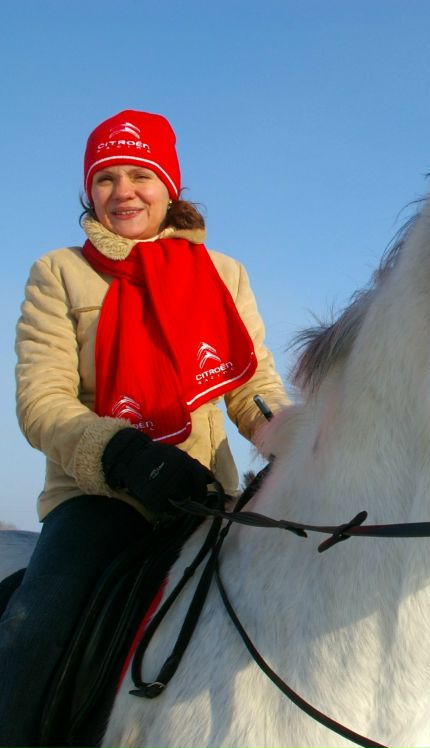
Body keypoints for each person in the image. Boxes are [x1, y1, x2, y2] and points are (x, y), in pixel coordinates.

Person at [0, 110, 289, 747]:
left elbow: (250, 385)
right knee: (30, 627)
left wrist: (291, 437)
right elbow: (41, 400)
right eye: (105, 178)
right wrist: (124, 455)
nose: (123, 191)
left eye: (139, 174)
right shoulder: (59, 272)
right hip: (97, 497)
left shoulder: (223, 272)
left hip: (205, 496)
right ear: (89, 190)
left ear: (168, 186)